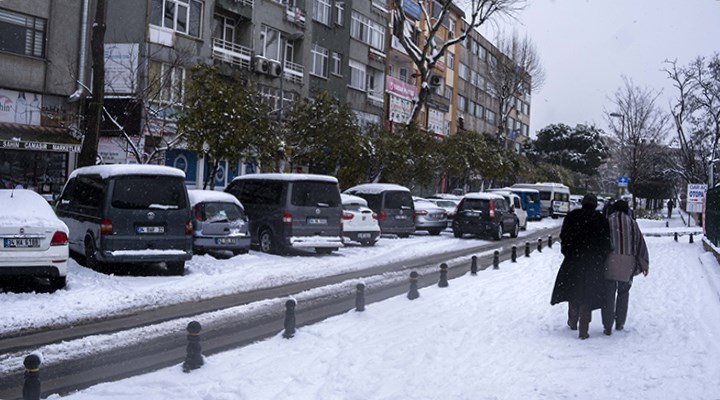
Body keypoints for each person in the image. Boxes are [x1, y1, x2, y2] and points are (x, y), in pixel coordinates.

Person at [551, 193, 613, 340]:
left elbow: (564, 236)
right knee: (587, 294)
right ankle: (584, 328)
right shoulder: (600, 219)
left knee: (573, 288)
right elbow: (606, 242)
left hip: (574, 259)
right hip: (593, 262)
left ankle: (573, 320)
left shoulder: (573, 216)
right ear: (595, 204)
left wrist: (567, 251)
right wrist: (601, 257)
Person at [602, 200, 649, 335]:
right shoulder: (632, 223)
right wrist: (644, 264)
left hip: (610, 262)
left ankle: (607, 325)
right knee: (623, 293)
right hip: (628, 263)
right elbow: (640, 243)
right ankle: (620, 323)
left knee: (608, 294)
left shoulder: (607, 221)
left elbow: (602, 241)